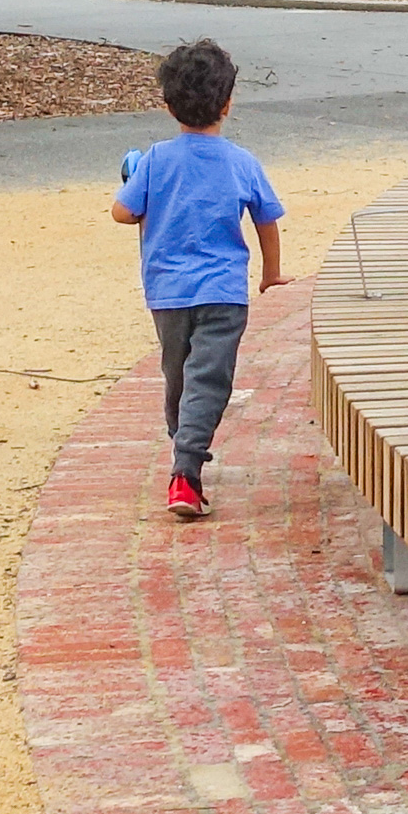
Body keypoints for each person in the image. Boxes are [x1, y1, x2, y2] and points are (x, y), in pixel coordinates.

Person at [111, 40, 290, 519]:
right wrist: (271, 273)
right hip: (225, 292)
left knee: (179, 376)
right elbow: (266, 219)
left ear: (168, 106)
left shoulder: (153, 159)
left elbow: (122, 213)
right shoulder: (241, 162)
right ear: (228, 104)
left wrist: (133, 180)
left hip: (167, 294)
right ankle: (185, 469)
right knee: (208, 379)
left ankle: (184, 464)